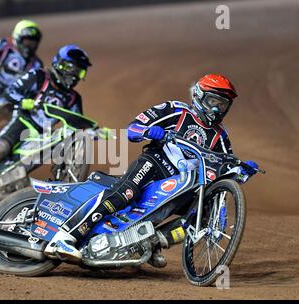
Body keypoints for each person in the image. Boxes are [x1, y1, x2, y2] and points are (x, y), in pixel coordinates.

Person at [45, 74, 259, 266]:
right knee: (126, 193)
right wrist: (151, 131)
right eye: (213, 102)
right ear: (199, 97)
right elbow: (133, 129)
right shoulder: (176, 110)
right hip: (155, 163)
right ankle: (65, 236)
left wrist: (241, 169)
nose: (216, 109)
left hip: (184, 181)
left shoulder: (220, 135)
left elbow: (224, 163)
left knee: (199, 218)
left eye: (222, 105)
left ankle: (151, 243)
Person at [0, 44, 92, 193]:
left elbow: (76, 121)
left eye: (81, 72)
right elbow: (11, 91)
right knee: (0, 150)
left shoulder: (73, 98)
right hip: (23, 122)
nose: (75, 76)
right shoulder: (39, 76)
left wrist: (93, 132)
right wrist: (23, 101)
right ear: (61, 65)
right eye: (74, 70)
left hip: (42, 136)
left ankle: (2, 187)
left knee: (30, 163)